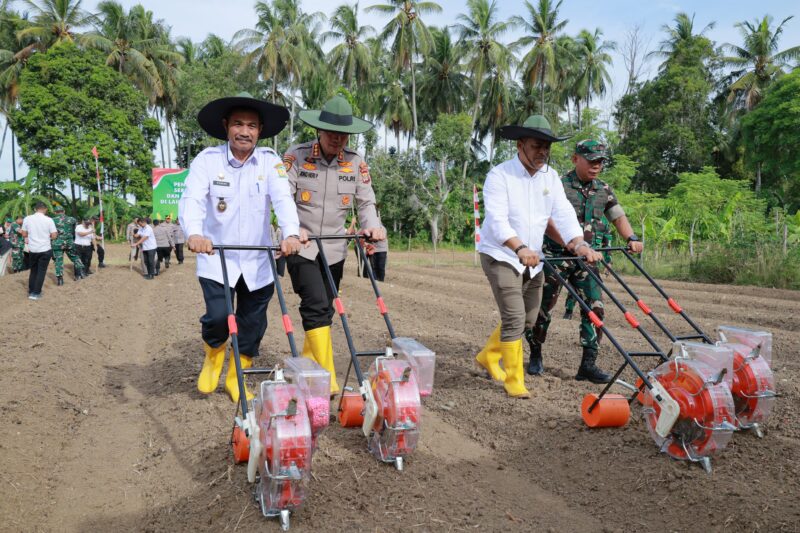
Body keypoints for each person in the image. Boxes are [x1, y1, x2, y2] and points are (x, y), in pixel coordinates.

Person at [179, 91, 303, 403]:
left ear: (260, 130)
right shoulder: (207, 161)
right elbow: (192, 199)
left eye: (251, 125)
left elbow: (283, 200)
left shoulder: (270, 162)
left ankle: (237, 377)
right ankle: (213, 355)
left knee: (253, 324)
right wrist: (194, 233)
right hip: (216, 257)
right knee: (219, 317)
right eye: (238, 124)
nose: (244, 131)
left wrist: (290, 234)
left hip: (258, 260)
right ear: (226, 126)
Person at [475, 115, 602, 399]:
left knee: (529, 319)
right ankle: (514, 379)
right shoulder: (500, 175)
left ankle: (488, 355)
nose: (543, 152)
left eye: (546, 146)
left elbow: (563, 214)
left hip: (534, 259)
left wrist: (578, 243)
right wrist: (519, 247)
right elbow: (496, 220)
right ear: (520, 145)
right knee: (514, 317)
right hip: (502, 255)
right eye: (536, 146)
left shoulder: (550, 177)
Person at [283, 95, 385, 394]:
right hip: (302, 245)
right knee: (315, 305)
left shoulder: (355, 163)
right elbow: (282, 196)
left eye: (343, 135)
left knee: (324, 308)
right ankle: (326, 377)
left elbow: (366, 202)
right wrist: (292, 228)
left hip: (335, 247)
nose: (337, 140)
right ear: (319, 130)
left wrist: (372, 227)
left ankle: (303, 365)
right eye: (331, 134)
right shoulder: (297, 156)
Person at [525, 139, 644, 383]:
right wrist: (571, 244)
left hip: (587, 260)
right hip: (556, 257)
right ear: (575, 159)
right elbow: (545, 222)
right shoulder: (558, 187)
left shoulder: (603, 189)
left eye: (600, 161)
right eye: (591, 161)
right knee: (543, 309)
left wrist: (631, 237)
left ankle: (587, 365)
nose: (596, 166)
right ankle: (535, 354)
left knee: (595, 308)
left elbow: (617, 216)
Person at [20, 202, 57, 300]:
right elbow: (54, 236)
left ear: (35, 209)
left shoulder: (27, 219)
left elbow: (24, 234)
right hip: (45, 249)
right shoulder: (49, 220)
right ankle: (36, 293)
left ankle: (31, 291)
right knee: (41, 271)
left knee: (33, 271)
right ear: (45, 209)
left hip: (33, 249)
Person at [51, 204, 84, 284]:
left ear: (55, 212)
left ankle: (60, 280)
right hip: (69, 242)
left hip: (57, 243)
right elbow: (75, 231)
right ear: (64, 211)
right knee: (75, 257)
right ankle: (81, 273)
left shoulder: (52, 220)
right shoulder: (72, 219)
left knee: (58, 261)